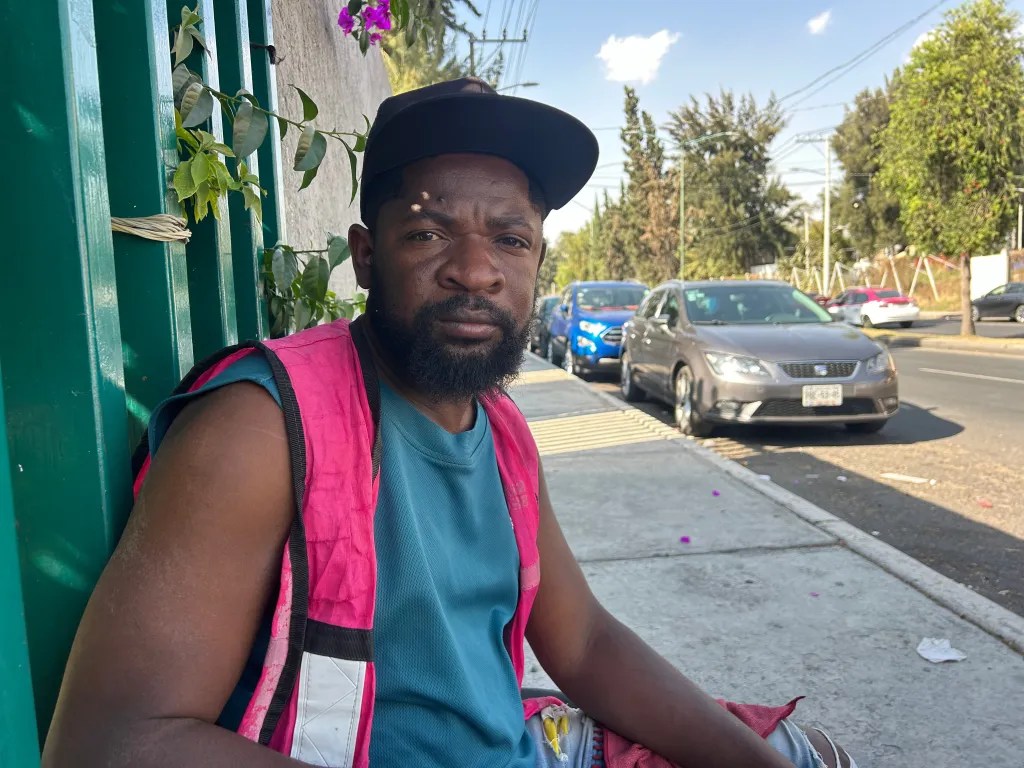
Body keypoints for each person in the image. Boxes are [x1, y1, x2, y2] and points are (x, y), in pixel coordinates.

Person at [42, 78, 855, 768]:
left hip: (517, 744)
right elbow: (112, 742)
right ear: (366, 256)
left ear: (538, 260)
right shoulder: (260, 428)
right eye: (429, 234)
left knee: (807, 753)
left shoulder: (500, 432)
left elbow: (584, 644)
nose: (475, 271)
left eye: (510, 239)